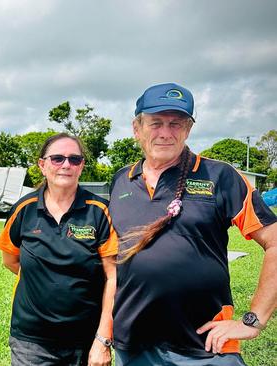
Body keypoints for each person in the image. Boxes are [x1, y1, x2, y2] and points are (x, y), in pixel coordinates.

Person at [108, 82, 277, 365]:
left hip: (206, 346)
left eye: (176, 124)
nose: (165, 132)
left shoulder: (220, 176)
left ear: (188, 129)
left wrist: (253, 321)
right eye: (156, 123)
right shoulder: (121, 180)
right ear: (137, 129)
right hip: (134, 346)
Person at [0, 133, 118, 366]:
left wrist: (103, 339)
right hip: (31, 340)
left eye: (74, 159)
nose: (66, 165)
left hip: (86, 339)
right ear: (42, 165)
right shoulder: (24, 209)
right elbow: (10, 260)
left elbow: (113, 276)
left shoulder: (99, 211)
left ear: (81, 166)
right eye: (57, 158)